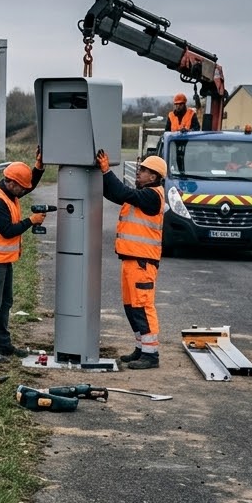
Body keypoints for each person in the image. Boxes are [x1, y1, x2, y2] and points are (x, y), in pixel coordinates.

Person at [95, 149, 167, 369]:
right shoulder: (143, 195)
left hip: (142, 262)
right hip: (132, 260)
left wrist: (107, 171)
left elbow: (122, 192)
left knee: (142, 306)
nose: (139, 172)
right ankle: (141, 348)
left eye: (143, 170)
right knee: (131, 307)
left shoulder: (152, 195)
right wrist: (102, 176)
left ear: (153, 177)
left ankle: (151, 355)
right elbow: (116, 194)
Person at [0, 150, 46, 363]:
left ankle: (4, 344)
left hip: (2, 259)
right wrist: (31, 221)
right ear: (12, 183)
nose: (24, 191)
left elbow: (29, 184)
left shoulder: (9, 190)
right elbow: (7, 230)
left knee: (5, 302)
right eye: (21, 188)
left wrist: (39, 166)